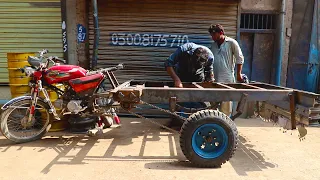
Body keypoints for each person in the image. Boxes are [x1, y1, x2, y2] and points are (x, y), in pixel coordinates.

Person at [164, 42, 214, 128]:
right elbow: (168, 63)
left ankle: (196, 122)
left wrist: (210, 78)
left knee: (199, 100)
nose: (194, 68)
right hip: (182, 75)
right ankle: (176, 121)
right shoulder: (184, 50)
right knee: (179, 99)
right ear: (191, 56)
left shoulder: (210, 57)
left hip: (198, 78)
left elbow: (209, 70)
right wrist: (177, 80)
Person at [208, 24, 245, 116]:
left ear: (221, 33)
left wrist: (239, 74)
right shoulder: (213, 45)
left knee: (225, 108)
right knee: (213, 106)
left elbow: (240, 58)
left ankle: (225, 126)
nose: (212, 37)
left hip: (227, 79)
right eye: (211, 35)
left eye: (214, 34)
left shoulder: (232, 43)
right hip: (214, 80)